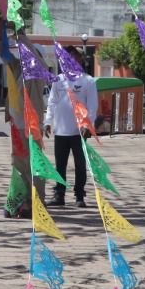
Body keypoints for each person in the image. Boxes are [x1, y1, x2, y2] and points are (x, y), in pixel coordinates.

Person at [47, 71, 99, 207]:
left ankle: (79, 196)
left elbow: (92, 106)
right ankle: (59, 195)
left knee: (80, 165)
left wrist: (88, 125)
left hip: (79, 131)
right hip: (60, 131)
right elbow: (52, 101)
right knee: (60, 165)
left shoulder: (88, 80)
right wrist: (47, 121)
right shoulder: (58, 79)